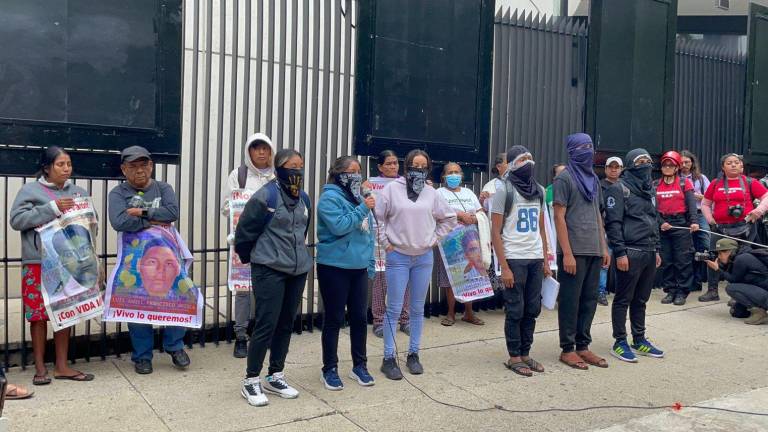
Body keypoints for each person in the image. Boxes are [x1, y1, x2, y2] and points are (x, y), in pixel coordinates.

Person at [10, 146, 96, 385]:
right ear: (46, 168)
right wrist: (52, 209)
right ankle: (40, 368)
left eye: (68, 164)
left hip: (68, 263)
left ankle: (62, 366)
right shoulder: (29, 191)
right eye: (60, 164)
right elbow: (17, 221)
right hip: (38, 262)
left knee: (65, 312)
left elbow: (88, 225)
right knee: (38, 315)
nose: (66, 169)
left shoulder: (78, 192)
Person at [234, 149, 312, 406]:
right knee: (266, 323)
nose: (297, 171)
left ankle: (275, 374)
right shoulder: (265, 196)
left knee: (286, 323)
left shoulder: (304, 199)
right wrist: (255, 259)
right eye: (292, 166)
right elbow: (245, 232)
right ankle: (251, 380)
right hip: (269, 269)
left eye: (300, 166)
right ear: (279, 169)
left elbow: (302, 231)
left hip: (297, 269)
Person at [375, 150, 457, 380]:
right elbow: (378, 217)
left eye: (423, 166)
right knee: (393, 308)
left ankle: (413, 354)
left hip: (423, 257)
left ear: (428, 169)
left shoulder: (431, 193)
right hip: (398, 256)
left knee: (417, 309)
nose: (417, 170)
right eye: (414, 165)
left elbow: (449, 218)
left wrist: (435, 239)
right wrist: (385, 244)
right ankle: (389, 358)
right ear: (406, 166)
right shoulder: (392, 189)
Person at [108, 145, 189, 375]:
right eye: (133, 166)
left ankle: (175, 347)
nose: (140, 170)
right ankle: (142, 356)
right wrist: (154, 220)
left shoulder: (164, 188)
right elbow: (119, 222)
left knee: (176, 297)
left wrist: (142, 213)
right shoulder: (118, 193)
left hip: (167, 255)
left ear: (151, 166)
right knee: (137, 302)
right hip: (134, 260)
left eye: (144, 165)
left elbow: (172, 213)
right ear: (124, 169)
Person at [316, 156, 376, 391]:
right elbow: (339, 226)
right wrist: (363, 208)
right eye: (352, 171)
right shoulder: (329, 198)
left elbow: (367, 234)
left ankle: (359, 365)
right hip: (334, 267)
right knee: (334, 319)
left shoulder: (359, 197)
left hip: (359, 267)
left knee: (360, 318)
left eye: (359, 171)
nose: (357, 176)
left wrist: (369, 262)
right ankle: (329, 368)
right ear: (339, 175)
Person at [490, 145, 551, 377]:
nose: (528, 162)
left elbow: (542, 228)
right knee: (515, 309)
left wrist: (546, 260)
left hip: (534, 257)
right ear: (513, 163)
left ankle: (526, 353)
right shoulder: (504, 190)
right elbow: (496, 231)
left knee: (532, 309)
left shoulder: (540, 190)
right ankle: (514, 356)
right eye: (523, 158)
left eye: (530, 158)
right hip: (514, 258)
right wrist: (503, 266)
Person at [552, 133, 611, 370]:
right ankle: (567, 349)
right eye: (581, 147)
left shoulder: (593, 180)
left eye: (590, 146)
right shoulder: (564, 178)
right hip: (573, 251)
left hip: (594, 249)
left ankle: (583, 345)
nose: (587, 150)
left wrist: (603, 245)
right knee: (570, 301)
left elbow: (597, 214)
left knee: (589, 299)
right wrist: (566, 253)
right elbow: (558, 216)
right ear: (571, 151)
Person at [604, 149, 664, 363]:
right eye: (640, 161)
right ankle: (620, 341)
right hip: (629, 251)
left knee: (641, 299)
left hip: (648, 252)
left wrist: (656, 249)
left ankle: (639, 339)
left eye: (648, 160)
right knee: (623, 299)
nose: (645, 164)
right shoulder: (618, 189)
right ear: (630, 164)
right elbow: (613, 224)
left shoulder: (650, 190)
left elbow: (654, 220)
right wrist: (619, 252)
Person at [220, 133, 276, 358]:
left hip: (271, 241)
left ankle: (263, 333)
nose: (261, 152)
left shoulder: (276, 175)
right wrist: (245, 204)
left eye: (265, 148)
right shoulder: (239, 175)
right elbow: (225, 207)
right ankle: (241, 335)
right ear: (249, 152)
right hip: (244, 239)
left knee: (267, 289)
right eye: (256, 148)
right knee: (243, 289)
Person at [700, 153, 768, 302]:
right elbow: (705, 203)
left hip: (746, 227)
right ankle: (712, 291)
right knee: (714, 256)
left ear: (742, 166)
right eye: (729, 162)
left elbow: (766, 196)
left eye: (736, 162)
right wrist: (710, 219)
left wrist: (759, 211)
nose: (733, 165)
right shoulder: (715, 183)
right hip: (720, 228)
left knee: (742, 259)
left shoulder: (750, 182)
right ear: (723, 167)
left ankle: (739, 292)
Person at [436, 162, 485, 326]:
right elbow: (437, 213)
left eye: (457, 172)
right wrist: (459, 215)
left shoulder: (469, 192)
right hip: (449, 240)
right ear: (444, 176)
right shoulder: (439, 193)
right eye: (450, 172)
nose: (454, 175)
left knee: (470, 276)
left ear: (462, 175)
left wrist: (474, 218)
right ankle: (450, 314)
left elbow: (480, 213)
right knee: (451, 277)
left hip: (470, 239)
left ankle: (469, 313)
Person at [369, 150, 410, 338]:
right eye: (388, 164)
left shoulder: (406, 184)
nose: (393, 166)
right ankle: (378, 321)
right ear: (380, 167)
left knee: (405, 281)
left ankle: (405, 319)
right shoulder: (372, 185)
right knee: (380, 282)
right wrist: (364, 189)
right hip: (380, 240)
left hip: (403, 239)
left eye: (395, 163)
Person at [655, 151, 699, 306]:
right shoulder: (655, 185)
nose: (667, 167)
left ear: (677, 167)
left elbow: (691, 205)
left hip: (680, 223)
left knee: (683, 260)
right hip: (664, 225)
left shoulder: (684, 182)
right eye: (665, 165)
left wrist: (694, 221)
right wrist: (661, 222)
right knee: (667, 260)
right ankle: (670, 290)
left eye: (671, 165)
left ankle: (682, 291)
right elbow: (652, 209)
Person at [706, 239, 768, 325]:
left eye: (721, 253)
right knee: (737, 313)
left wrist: (717, 269)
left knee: (731, 288)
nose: (719, 257)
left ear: (730, 252)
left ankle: (760, 313)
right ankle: (757, 309)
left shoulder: (741, 259)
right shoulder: (740, 257)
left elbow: (733, 280)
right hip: (761, 290)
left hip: (764, 293)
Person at [680, 150, 711, 289]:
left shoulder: (701, 178)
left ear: (692, 163)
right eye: (682, 162)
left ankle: (699, 280)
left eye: (687, 162)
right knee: (687, 249)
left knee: (704, 247)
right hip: (684, 215)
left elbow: (712, 198)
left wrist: (700, 197)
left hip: (700, 214)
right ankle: (689, 281)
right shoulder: (675, 178)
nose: (684, 164)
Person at [49, 224, 99, 302]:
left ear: (93, 250)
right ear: (61, 261)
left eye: (85, 248)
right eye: (69, 254)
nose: (81, 258)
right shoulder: (57, 298)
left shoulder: (106, 287)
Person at [597, 156, 623, 306]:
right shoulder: (600, 186)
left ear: (621, 169)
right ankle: (600, 291)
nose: (614, 169)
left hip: (621, 230)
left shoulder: (625, 186)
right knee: (604, 264)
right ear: (606, 169)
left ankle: (620, 290)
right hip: (605, 230)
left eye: (617, 167)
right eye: (611, 167)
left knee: (622, 261)